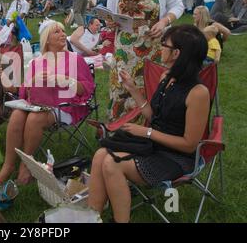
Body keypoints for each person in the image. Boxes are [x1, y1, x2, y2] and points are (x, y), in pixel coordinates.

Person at [88, 25, 211, 223]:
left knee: (112, 164)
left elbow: (189, 144)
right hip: (152, 145)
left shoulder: (198, 93)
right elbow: (154, 115)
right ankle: (91, 216)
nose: (160, 47)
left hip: (176, 158)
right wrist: (132, 88)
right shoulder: (166, 77)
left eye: (164, 44)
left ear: (176, 53)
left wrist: (146, 132)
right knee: (100, 154)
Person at [0, 21, 95, 188]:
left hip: (65, 106)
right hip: (38, 103)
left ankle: (26, 165)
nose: (63, 34)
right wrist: (32, 81)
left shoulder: (75, 59)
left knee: (34, 119)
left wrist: (66, 80)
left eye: (63, 31)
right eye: (57, 32)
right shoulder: (37, 62)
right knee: (17, 115)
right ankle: (8, 166)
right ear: (47, 39)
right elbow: (24, 92)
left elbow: (86, 89)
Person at [106, 0, 184, 121]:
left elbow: (178, 5)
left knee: (154, 88)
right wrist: (111, 23)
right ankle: (122, 132)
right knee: (123, 90)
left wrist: (165, 21)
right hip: (125, 52)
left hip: (157, 48)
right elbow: (111, 14)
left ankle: (155, 132)